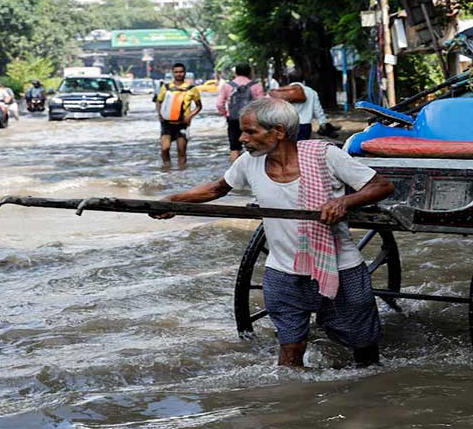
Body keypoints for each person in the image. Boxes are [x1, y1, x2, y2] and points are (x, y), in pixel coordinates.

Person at [152, 98, 394, 368]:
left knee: (364, 348)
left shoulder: (326, 156)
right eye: (242, 131)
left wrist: (343, 202)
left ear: (278, 132)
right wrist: (173, 200)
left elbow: (380, 186)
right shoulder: (248, 163)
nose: (242, 138)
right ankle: (291, 403)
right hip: (282, 273)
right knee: (290, 351)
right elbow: (216, 190)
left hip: (340, 268)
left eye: (250, 132)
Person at [155, 63, 202, 170]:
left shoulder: (192, 89)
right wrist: (159, 114)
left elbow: (199, 106)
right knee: (165, 148)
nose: (179, 74)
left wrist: (190, 116)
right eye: (176, 72)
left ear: (184, 73)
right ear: (173, 73)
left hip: (182, 125)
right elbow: (159, 102)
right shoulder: (166, 87)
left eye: (181, 72)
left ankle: (182, 174)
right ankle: (167, 170)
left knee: (181, 151)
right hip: (167, 124)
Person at [269, 71, 338, 140]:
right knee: (303, 147)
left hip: (289, 125)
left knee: (290, 147)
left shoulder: (284, 93)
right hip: (305, 125)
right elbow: (318, 110)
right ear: (303, 80)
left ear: (289, 80)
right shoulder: (311, 92)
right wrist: (322, 123)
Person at [217, 63, 264, 162]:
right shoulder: (256, 85)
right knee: (254, 146)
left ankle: (234, 174)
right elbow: (262, 104)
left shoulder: (227, 86)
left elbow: (219, 104)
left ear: (236, 72)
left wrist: (226, 114)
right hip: (252, 120)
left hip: (233, 119)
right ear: (249, 72)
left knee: (234, 148)